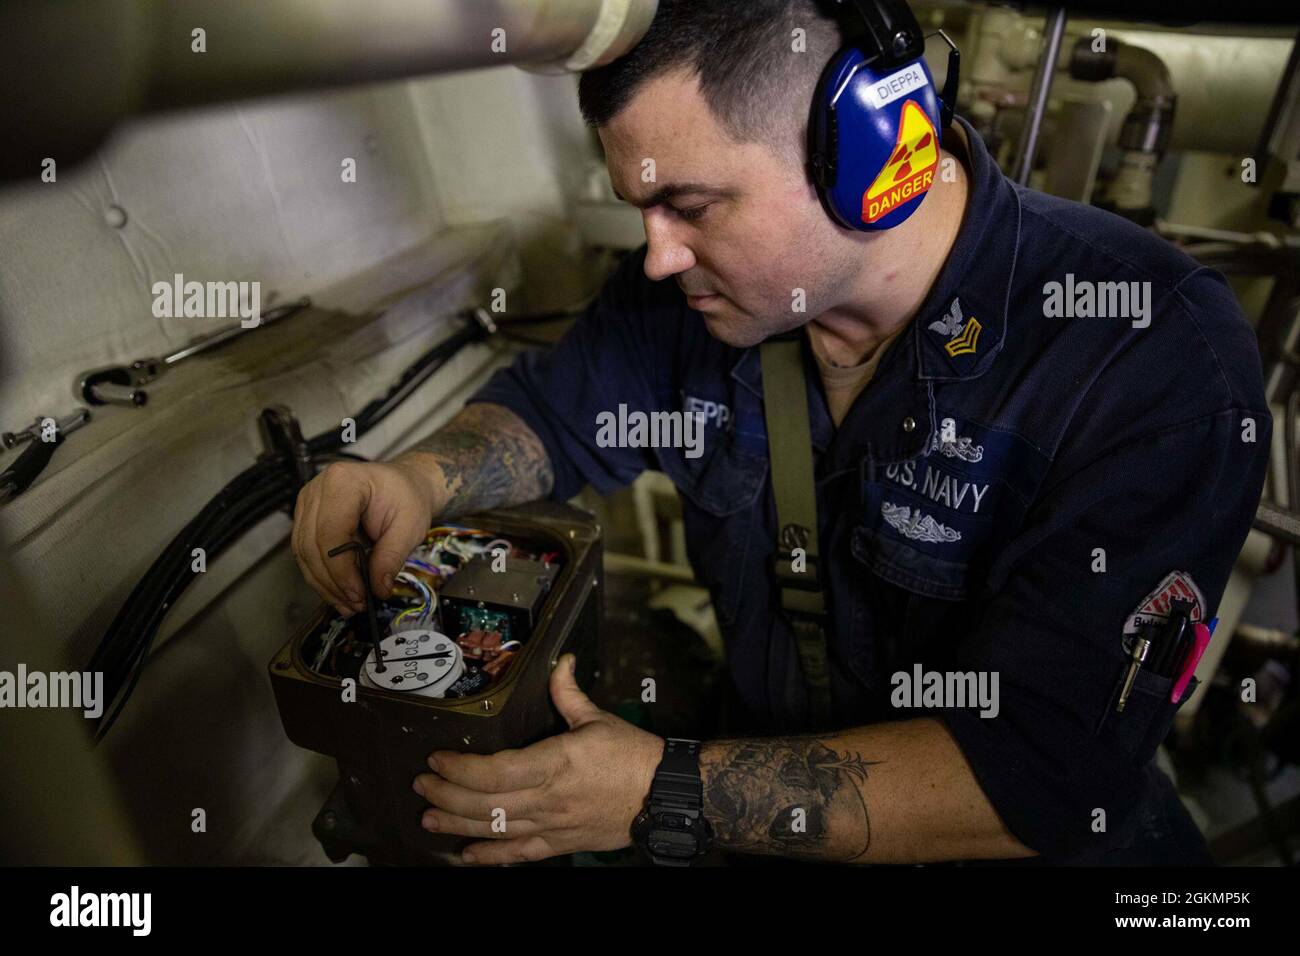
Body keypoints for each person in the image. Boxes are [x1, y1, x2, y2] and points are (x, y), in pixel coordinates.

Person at [291, 0, 1270, 865]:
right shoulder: (697, 302)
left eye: (688, 205)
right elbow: (552, 410)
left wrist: (659, 791)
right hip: (753, 776)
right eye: (644, 209)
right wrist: (420, 477)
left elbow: (1038, 776)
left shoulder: (1149, 358)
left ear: (874, 153)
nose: (658, 256)